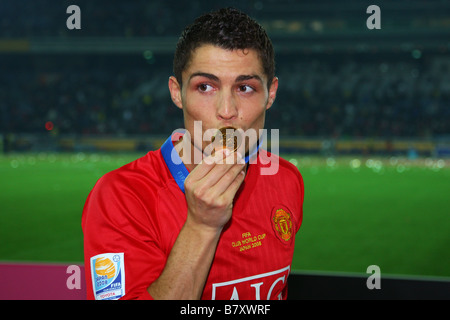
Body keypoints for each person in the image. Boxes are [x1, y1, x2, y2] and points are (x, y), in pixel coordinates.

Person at [82, 7, 304, 300]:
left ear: (271, 94)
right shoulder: (122, 196)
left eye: (245, 88)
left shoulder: (287, 180)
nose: (227, 111)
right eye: (205, 86)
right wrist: (201, 226)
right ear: (177, 93)